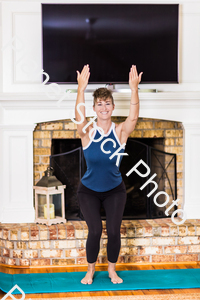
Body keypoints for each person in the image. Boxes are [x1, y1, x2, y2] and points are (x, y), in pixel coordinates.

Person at [75, 64, 143, 284]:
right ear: (94, 108)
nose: (103, 107)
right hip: (89, 191)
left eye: (107, 103)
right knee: (94, 231)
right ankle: (90, 270)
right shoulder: (87, 132)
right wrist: (80, 89)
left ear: (113, 107)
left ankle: (112, 270)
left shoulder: (120, 131)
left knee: (114, 231)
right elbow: (79, 116)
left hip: (115, 190)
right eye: (99, 104)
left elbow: (133, 118)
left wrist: (134, 89)